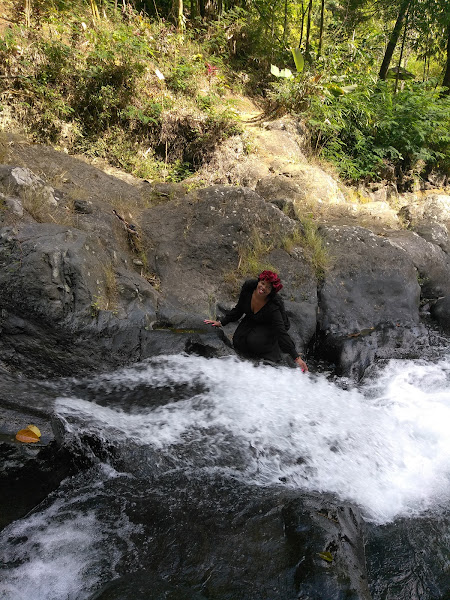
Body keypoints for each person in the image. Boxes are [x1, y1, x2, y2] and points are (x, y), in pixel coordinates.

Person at [204, 270, 308, 372]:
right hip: (253, 319)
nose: (263, 288)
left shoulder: (273, 306)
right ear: (259, 281)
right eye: (262, 283)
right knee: (238, 341)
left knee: (254, 342)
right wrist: (221, 322)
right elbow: (239, 309)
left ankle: (274, 346)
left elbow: (281, 331)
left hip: (271, 325)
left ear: (271, 291)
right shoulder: (248, 288)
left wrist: (296, 357)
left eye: (268, 287)